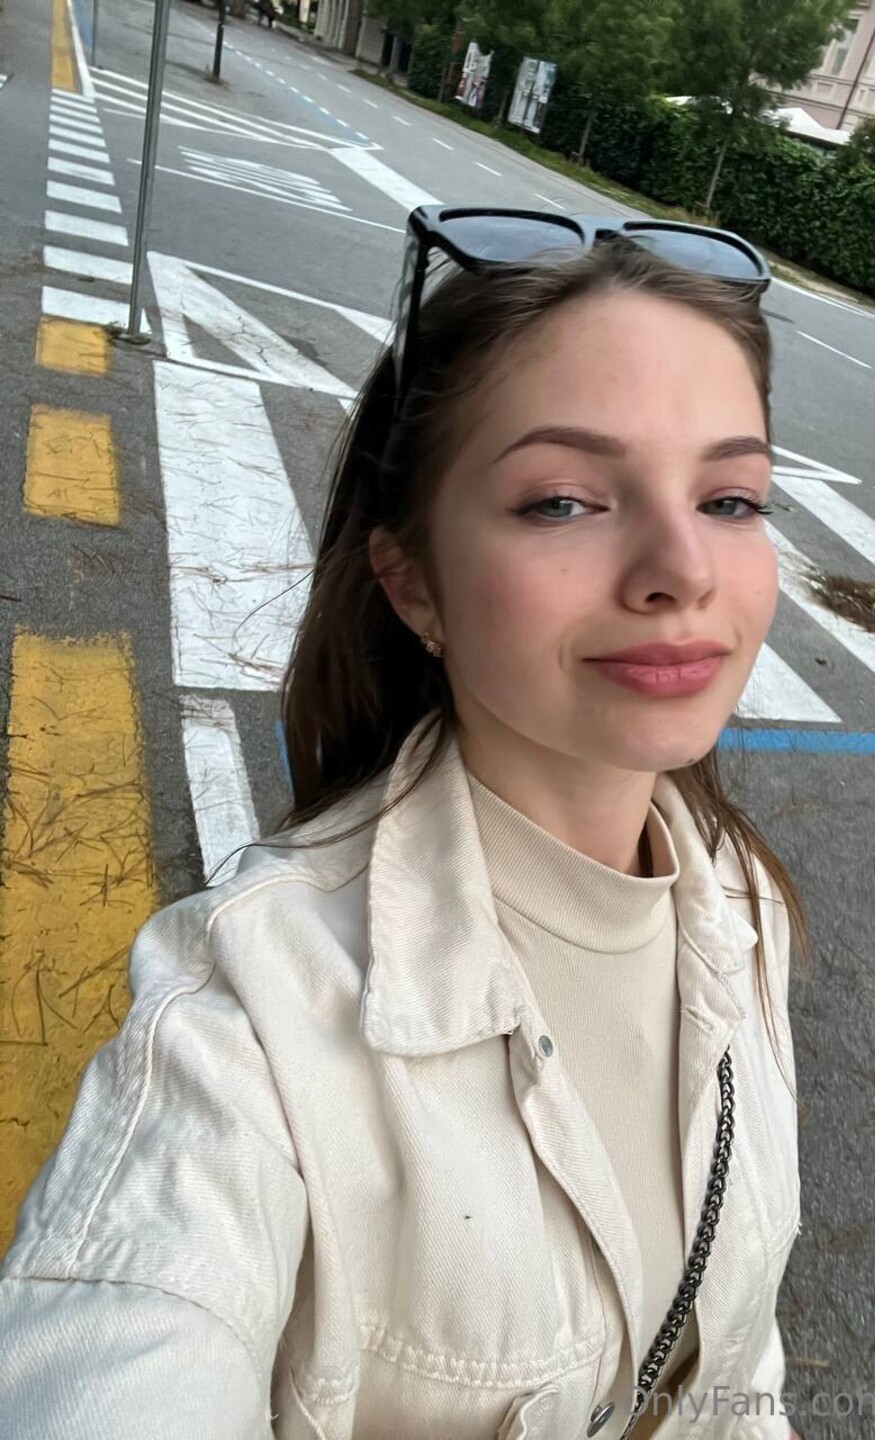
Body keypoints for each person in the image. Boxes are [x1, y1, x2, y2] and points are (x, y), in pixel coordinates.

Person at [0, 207, 808, 1439]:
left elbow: (741, 1371)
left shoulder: (742, 904)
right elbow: (126, 1333)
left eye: (731, 499)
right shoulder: (249, 1019)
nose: (682, 569)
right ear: (413, 581)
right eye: (563, 502)